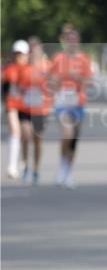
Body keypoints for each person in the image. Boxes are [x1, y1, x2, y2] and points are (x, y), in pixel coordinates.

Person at [50, 27, 93, 189]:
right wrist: (57, 80)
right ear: (65, 41)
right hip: (62, 101)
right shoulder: (58, 58)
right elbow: (50, 79)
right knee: (67, 134)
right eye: (69, 39)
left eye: (75, 39)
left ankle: (68, 172)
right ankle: (62, 165)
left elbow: (90, 81)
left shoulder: (84, 59)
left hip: (78, 102)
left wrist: (78, 78)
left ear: (78, 41)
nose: (72, 42)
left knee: (74, 140)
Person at [17, 38, 52, 185]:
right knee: (25, 135)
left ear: (40, 50)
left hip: (40, 109)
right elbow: (17, 87)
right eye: (31, 50)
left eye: (35, 49)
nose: (33, 52)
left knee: (38, 139)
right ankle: (25, 163)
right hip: (25, 108)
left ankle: (36, 169)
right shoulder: (23, 68)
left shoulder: (47, 67)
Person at [3, 40, 29, 179]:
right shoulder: (9, 69)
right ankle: (12, 166)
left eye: (22, 54)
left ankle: (24, 162)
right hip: (12, 104)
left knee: (26, 135)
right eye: (17, 54)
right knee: (15, 130)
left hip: (27, 106)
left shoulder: (31, 69)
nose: (20, 56)